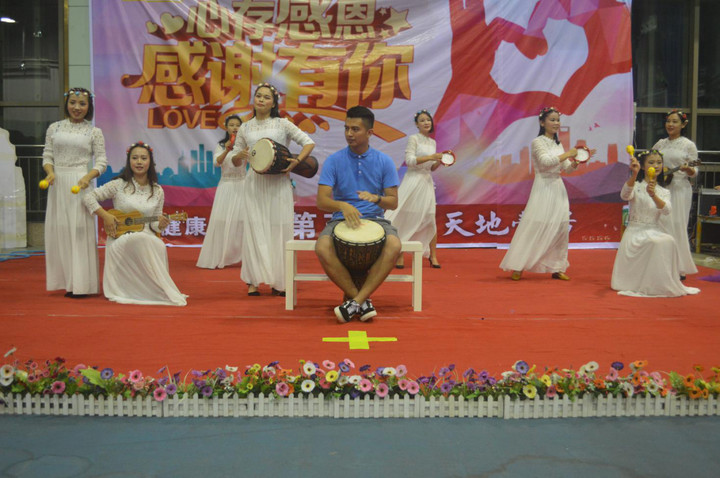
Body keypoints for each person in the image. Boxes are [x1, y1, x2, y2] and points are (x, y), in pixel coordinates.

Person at [315, 106, 401, 323]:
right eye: (346, 128)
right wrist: (342, 206)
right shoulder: (334, 160)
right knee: (322, 247)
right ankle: (361, 301)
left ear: (370, 133)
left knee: (394, 245)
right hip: (340, 220)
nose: (349, 134)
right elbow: (322, 201)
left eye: (355, 129)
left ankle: (355, 301)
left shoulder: (384, 161)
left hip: (376, 220)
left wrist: (377, 199)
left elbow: (393, 201)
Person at [230, 83, 315, 296]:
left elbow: (308, 143)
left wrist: (296, 162)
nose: (261, 100)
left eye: (267, 97)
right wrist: (238, 157)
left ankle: (280, 282)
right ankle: (252, 280)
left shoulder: (282, 124)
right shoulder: (245, 127)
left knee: (279, 229)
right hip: (254, 183)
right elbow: (236, 159)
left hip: (278, 183)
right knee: (254, 229)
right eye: (258, 96)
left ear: (274, 102)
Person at [83, 142, 187, 306]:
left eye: (143, 158)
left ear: (150, 162)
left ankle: (151, 290)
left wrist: (161, 224)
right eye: (135, 158)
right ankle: (127, 289)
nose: (139, 162)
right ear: (129, 161)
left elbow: (154, 224)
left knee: (157, 243)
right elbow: (88, 197)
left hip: (146, 235)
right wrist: (105, 216)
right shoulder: (118, 185)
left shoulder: (157, 190)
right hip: (120, 238)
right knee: (137, 239)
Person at [499, 106, 595, 281]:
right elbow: (545, 163)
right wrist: (568, 154)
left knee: (560, 227)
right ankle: (519, 265)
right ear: (542, 122)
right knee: (535, 224)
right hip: (543, 186)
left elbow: (566, 169)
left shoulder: (558, 144)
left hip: (558, 187)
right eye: (552, 120)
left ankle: (557, 267)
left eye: (558, 120)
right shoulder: (538, 142)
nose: (556, 123)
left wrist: (577, 162)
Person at [42, 87, 107, 297]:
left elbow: (102, 162)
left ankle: (81, 285)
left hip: (80, 184)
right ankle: (67, 281)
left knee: (79, 231)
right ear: (66, 103)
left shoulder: (94, 131)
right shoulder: (54, 128)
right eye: (72, 103)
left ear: (89, 107)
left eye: (82, 104)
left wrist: (88, 177)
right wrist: (50, 173)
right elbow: (47, 155)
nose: (76, 107)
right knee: (60, 231)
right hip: (58, 183)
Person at [611, 151, 700, 297]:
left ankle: (660, 282)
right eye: (651, 162)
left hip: (653, 229)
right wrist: (633, 174)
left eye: (659, 162)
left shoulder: (663, 191)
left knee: (669, 240)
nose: (656, 165)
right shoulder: (637, 185)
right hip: (635, 233)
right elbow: (625, 195)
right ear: (643, 167)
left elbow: (666, 210)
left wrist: (653, 195)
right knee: (657, 241)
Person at [385, 109, 443, 268]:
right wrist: (432, 157)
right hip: (412, 180)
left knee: (430, 217)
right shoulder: (413, 139)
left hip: (426, 182)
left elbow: (431, 168)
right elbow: (409, 161)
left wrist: (440, 161)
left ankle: (433, 255)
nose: (426, 123)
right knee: (405, 216)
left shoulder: (432, 142)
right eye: (422, 120)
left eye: (428, 120)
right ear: (417, 125)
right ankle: (400, 253)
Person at [652, 109, 699, 280]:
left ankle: (679, 268)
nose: (670, 125)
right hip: (662, 188)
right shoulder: (660, 143)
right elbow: (651, 161)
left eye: (675, 122)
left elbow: (695, 170)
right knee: (660, 224)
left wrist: (689, 169)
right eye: (668, 121)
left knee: (677, 224)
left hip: (679, 189)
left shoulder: (688, 145)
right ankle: (660, 264)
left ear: (683, 124)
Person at [196, 114, 245, 269]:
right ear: (226, 127)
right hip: (226, 186)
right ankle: (220, 255)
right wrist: (228, 150)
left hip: (243, 185)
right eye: (232, 125)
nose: (235, 128)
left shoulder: (245, 145)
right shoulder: (221, 145)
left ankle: (244, 257)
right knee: (221, 220)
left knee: (244, 221)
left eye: (238, 125)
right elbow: (217, 163)